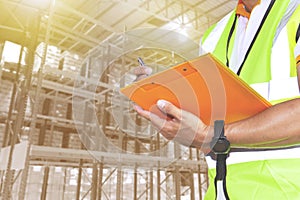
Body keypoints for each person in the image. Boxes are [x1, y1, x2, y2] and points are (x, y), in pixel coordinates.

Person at [133, 0, 300, 199]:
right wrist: (165, 100)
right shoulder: (214, 35)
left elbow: (209, 133)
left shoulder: (294, 10)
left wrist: (210, 135)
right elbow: (206, 122)